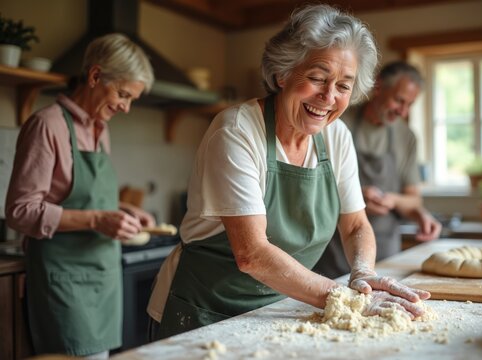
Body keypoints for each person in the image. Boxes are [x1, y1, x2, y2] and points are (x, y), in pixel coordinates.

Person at [147, 5, 430, 341]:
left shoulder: (337, 137)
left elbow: (355, 224)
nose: (328, 97)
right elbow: (252, 252)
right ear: (282, 73)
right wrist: (344, 299)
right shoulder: (237, 130)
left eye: (343, 85)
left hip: (275, 309)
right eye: (317, 78)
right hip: (203, 312)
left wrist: (363, 275)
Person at [5, 33, 155, 358]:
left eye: (132, 99)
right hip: (64, 283)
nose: (126, 107)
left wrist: (123, 209)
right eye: (123, 94)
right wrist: (100, 218)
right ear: (95, 75)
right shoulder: (47, 125)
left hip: (103, 278)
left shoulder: (100, 130)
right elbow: (20, 210)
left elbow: (82, 200)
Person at [313, 61, 442, 279]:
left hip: (385, 254)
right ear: (378, 87)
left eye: (409, 105)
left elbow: (413, 199)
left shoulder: (406, 137)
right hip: (332, 250)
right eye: (399, 100)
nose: (402, 111)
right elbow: (311, 188)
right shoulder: (337, 122)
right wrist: (354, 197)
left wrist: (409, 209)